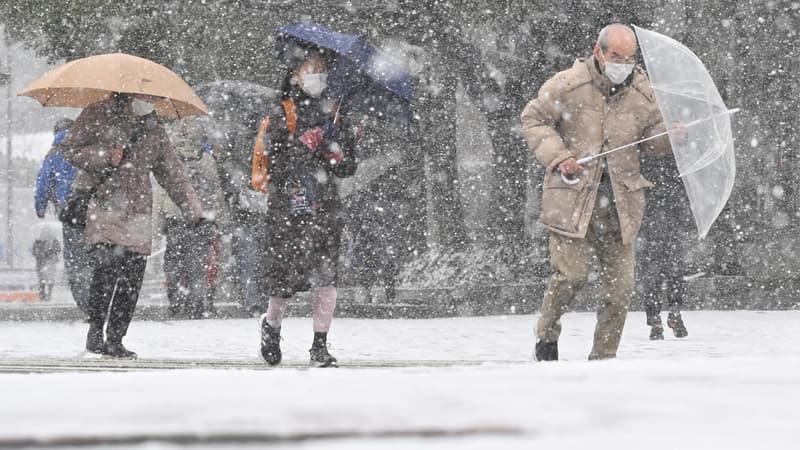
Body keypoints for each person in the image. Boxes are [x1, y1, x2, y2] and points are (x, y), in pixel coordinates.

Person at [520, 24, 676, 361]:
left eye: (630, 58)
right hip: (571, 198)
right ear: (598, 52)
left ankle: (603, 359)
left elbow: (651, 140)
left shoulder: (643, 93)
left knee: (620, 289)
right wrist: (561, 158)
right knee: (571, 276)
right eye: (616, 56)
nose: (623, 64)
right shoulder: (567, 85)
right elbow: (533, 120)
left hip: (621, 203)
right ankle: (546, 333)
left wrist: (673, 135)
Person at [62, 93, 205, 359]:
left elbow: (173, 175)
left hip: (138, 210)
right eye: (145, 95)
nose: (149, 100)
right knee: (106, 270)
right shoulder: (97, 113)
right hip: (104, 204)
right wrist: (105, 155)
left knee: (131, 278)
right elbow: (69, 148)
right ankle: (95, 329)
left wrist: (193, 211)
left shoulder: (155, 130)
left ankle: (115, 338)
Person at [257, 49, 358, 367]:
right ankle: (271, 327)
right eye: (311, 69)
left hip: (326, 204)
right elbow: (277, 163)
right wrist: (304, 144)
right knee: (284, 279)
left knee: (327, 276)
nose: (318, 75)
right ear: (295, 75)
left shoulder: (337, 113)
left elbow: (347, 167)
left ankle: (319, 345)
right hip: (289, 205)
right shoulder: (282, 111)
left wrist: (336, 152)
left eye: (322, 70)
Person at [160, 116, 225, 319]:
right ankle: (196, 303)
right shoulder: (206, 158)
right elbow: (216, 191)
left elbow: (161, 192)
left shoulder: (168, 157)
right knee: (197, 263)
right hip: (202, 216)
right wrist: (220, 218)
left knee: (175, 262)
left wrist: (158, 222)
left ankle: (177, 301)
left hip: (176, 215)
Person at [34, 118, 92, 314]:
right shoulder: (89, 147)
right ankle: (100, 300)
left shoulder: (54, 154)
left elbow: (43, 183)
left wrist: (40, 207)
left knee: (75, 259)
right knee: (94, 255)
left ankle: (86, 305)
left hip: (70, 212)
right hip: (93, 210)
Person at [638, 152, 690, 340]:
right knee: (660, 269)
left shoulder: (677, 153)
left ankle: (663, 316)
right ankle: (662, 316)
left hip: (665, 212)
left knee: (666, 269)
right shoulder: (654, 148)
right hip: (657, 213)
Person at [31, 225, 60, 302]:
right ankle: (45, 295)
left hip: (46, 263)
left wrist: (47, 254)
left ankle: (45, 295)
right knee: (45, 280)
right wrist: (43, 254)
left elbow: (57, 250)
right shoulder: (40, 241)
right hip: (44, 263)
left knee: (45, 279)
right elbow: (34, 251)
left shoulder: (51, 240)